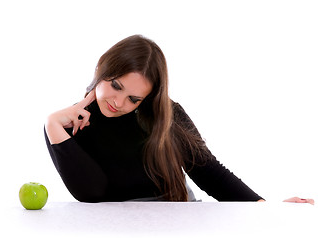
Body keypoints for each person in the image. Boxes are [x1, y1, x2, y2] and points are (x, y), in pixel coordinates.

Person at [45, 35, 314, 204]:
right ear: (102, 68)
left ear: (147, 98)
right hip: (119, 229)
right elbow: (92, 194)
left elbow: (208, 171)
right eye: (115, 86)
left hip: (181, 221)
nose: (118, 103)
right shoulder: (68, 124)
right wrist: (53, 127)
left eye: (134, 99)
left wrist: (264, 210)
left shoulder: (165, 114)